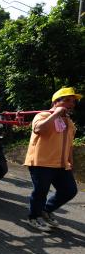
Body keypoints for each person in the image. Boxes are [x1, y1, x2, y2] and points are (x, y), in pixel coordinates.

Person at [24, 87, 80, 231]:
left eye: (73, 101)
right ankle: (34, 217)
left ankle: (46, 210)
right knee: (41, 191)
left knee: (70, 190)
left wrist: (70, 160)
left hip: (61, 164)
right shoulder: (43, 115)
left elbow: (69, 144)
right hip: (41, 162)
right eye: (67, 100)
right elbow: (38, 129)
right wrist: (54, 115)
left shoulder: (69, 122)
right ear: (56, 102)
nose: (71, 104)